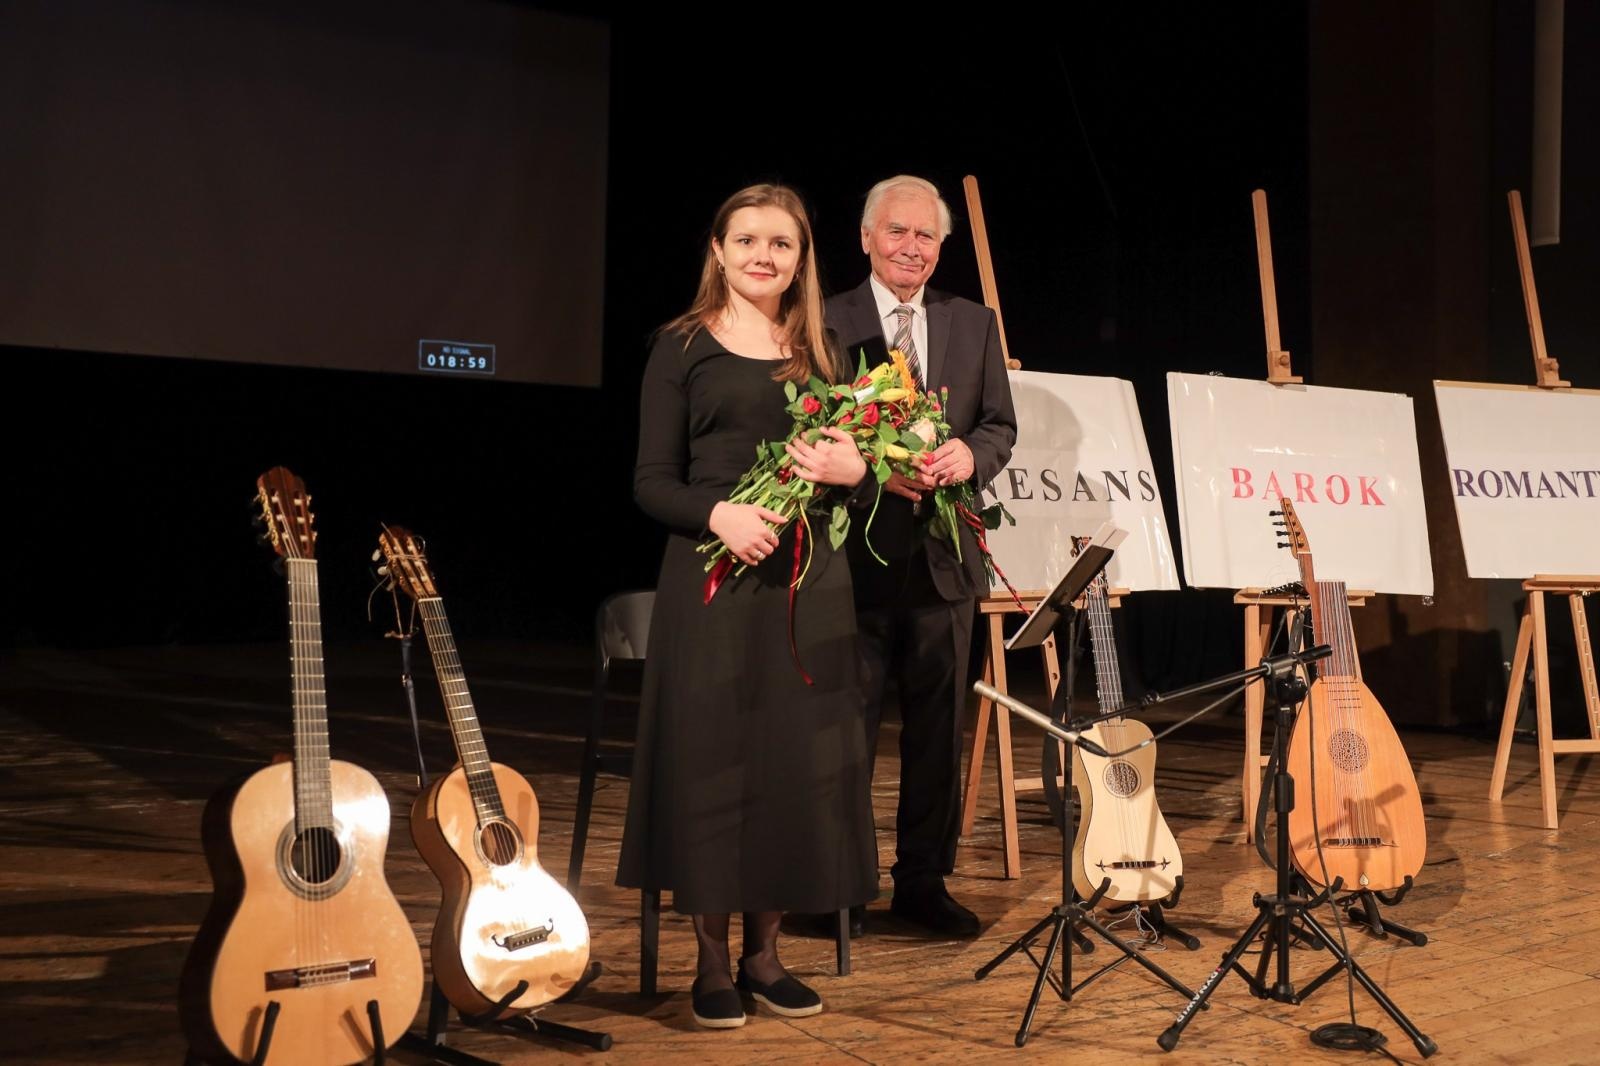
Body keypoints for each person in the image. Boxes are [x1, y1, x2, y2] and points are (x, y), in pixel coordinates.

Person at [617, 184, 878, 1029]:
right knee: (714, 762)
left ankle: (766, 956)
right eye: (749, 241)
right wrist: (720, 514)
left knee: (794, 769)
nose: (765, 257)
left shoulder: (827, 351)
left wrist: (858, 470)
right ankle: (710, 962)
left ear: (802, 259)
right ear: (720, 250)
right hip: (714, 582)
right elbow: (651, 482)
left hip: (810, 585)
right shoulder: (680, 346)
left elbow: (860, 465)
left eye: (783, 245)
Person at [825, 175, 1017, 937]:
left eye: (926, 236)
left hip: (944, 562)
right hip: (851, 559)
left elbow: (999, 424)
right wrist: (873, 465)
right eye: (897, 232)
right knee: (844, 733)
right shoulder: (826, 319)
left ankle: (923, 884)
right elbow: (805, 418)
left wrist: (971, 456)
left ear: (942, 247)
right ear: (867, 237)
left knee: (938, 734)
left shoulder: (974, 323)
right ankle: (835, 884)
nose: (911, 246)